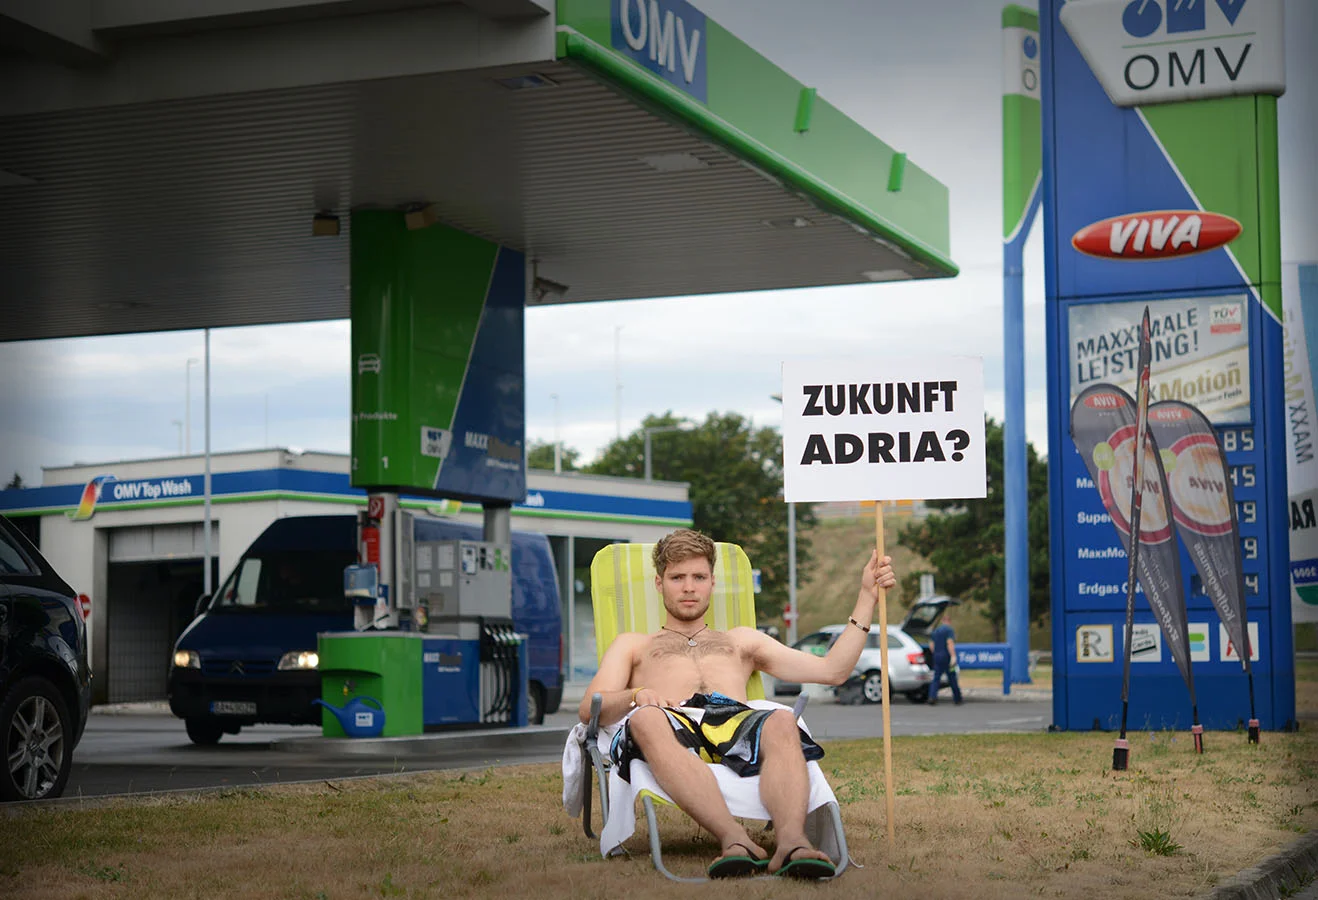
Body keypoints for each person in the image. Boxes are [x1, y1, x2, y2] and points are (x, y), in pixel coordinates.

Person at [578, 528, 897, 880]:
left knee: (780, 718)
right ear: (659, 583)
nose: (688, 587)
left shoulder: (741, 641)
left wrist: (867, 597)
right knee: (644, 720)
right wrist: (636, 696)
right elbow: (592, 707)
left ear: (712, 582)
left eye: (698, 577)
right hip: (671, 723)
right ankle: (735, 840)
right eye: (677, 577)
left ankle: (792, 842)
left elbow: (832, 671)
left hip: (735, 726)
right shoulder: (634, 645)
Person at [927, 608, 962, 706]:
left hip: (937, 657)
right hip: (946, 657)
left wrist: (936, 653)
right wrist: (953, 656)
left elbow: (931, 644)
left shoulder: (936, 631)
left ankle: (932, 696)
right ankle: (957, 698)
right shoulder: (949, 630)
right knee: (952, 677)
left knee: (936, 678)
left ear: (942, 621)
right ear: (949, 621)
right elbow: (949, 643)